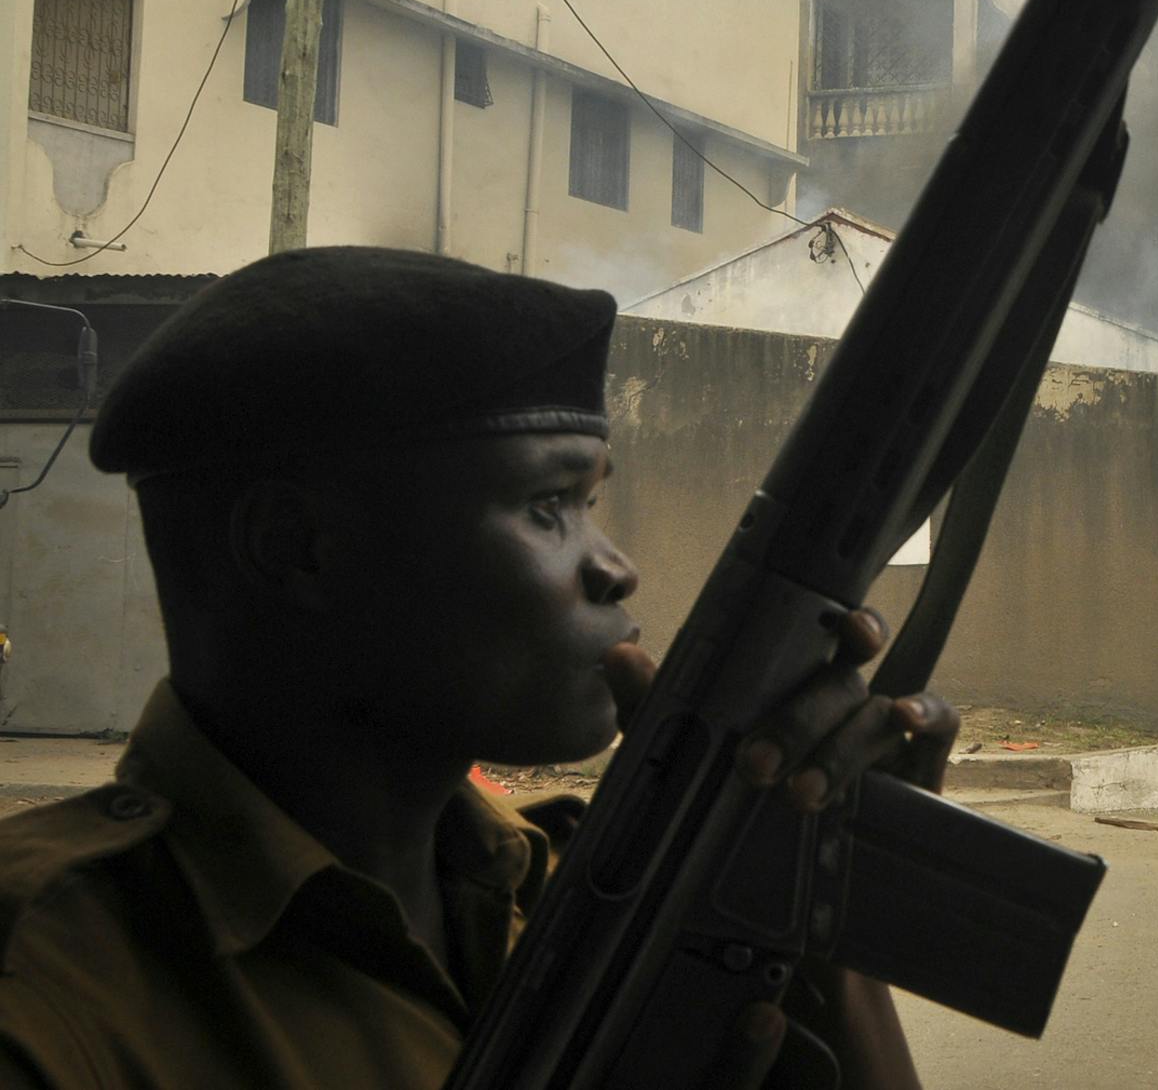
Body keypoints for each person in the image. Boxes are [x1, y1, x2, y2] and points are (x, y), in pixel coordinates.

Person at [0, 247, 956, 1088]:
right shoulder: (51, 987)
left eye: (590, 501)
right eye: (548, 504)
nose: (616, 566)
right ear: (299, 547)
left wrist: (805, 885)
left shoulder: (578, 896)